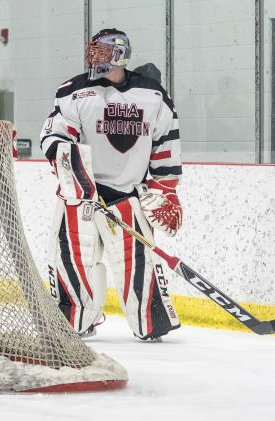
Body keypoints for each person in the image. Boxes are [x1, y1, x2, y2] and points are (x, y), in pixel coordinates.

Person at [40, 28, 183, 341]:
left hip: (127, 196)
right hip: (80, 198)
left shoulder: (153, 94)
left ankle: (151, 322)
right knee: (73, 262)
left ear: (120, 54)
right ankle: (74, 320)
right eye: (93, 50)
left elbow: (166, 143)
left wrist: (166, 190)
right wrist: (76, 176)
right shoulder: (73, 90)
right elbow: (54, 137)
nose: (95, 57)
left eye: (102, 51)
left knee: (139, 266)